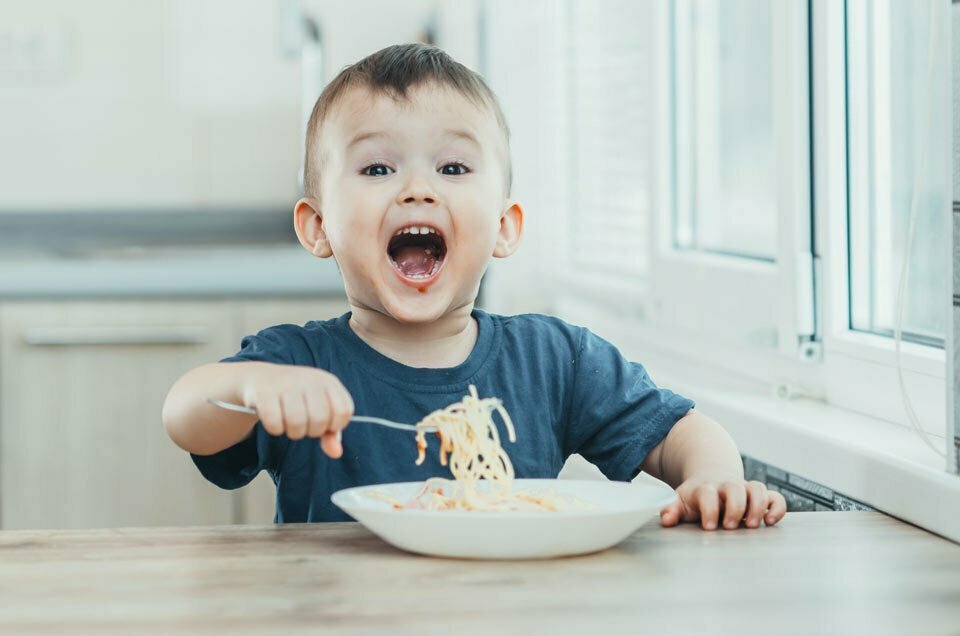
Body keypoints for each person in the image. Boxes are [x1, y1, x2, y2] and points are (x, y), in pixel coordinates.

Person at [163, 43, 786, 530]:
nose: (417, 188)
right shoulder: (298, 364)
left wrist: (711, 479)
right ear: (319, 226)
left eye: (453, 168)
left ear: (504, 228)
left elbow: (682, 432)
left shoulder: (555, 360)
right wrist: (251, 387)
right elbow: (187, 415)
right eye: (378, 167)